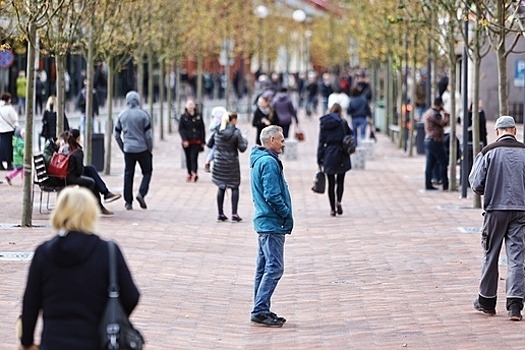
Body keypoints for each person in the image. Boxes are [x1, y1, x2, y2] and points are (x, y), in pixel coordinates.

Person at [18, 186, 140, 349]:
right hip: (94, 340)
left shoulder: (43, 253)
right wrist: (110, 316)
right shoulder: (107, 251)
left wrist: (27, 341)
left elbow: (30, 303)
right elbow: (131, 296)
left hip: (54, 341)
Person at [469, 116, 525, 321]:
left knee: (490, 255)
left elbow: (475, 184)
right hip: (521, 210)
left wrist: (490, 188)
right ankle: (515, 305)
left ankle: (487, 301)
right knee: (517, 257)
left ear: (497, 132)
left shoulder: (488, 152)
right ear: (514, 131)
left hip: (495, 210)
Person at [249, 125, 293, 327]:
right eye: (281, 140)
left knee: (263, 267)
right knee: (274, 267)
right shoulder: (268, 162)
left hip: (265, 222)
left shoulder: (262, 160)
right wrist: (285, 212)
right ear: (272, 140)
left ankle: (260, 307)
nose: (283, 143)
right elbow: (272, 194)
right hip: (271, 222)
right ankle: (260, 309)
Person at [59, 130, 115, 215]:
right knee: (91, 181)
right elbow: (78, 171)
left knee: (90, 169)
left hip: (67, 174)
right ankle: (101, 202)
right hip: (71, 177)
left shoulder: (66, 148)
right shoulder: (78, 151)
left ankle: (105, 193)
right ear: (78, 138)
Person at [114, 91, 153, 210]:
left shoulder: (122, 115)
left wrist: (123, 147)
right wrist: (149, 149)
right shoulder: (143, 115)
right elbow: (149, 136)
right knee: (147, 171)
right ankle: (141, 193)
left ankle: (128, 202)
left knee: (128, 174)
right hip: (142, 148)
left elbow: (116, 134)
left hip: (128, 149)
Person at [208, 112, 248, 222]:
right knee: (234, 186)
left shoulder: (217, 131)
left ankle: (220, 213)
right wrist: (244, 139)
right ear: (232, 120)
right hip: (232, 163)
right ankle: (234, 213)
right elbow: (242, 148)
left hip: (219, 163)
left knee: (221, 186)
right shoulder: (236, 132)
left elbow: (209, 144)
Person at [317, 103, 352, 217]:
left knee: (331, 183)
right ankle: (339, 202)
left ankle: (332, 208)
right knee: (340, 181)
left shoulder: (324, 124)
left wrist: (319, 158)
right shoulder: (343, 123)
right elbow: (350, 135)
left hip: (329, 153)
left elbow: (321, 142)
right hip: (342, 153)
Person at [422, 97, 449, 191]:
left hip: (429, 140)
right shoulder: (434, 114)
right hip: (435, 141)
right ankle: (445, 184)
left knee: (430, 164)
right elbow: (443, 123)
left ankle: (428, 184)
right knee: (443, 162)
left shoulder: (428, 112)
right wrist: (446, 115)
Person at [179, 99, 205, 182]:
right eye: (188, 105)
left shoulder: (199, 116)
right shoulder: (183, 117)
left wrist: (203, 140)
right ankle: (189, 172)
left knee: (194, 157)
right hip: (187, 141)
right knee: (188, 157)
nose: (190, 107)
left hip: (196, 141)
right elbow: (181, 129)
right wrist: (184, 139)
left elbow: (202, 128)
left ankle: (194, 172)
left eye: (191, 104)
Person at [204, 106, 227, 172]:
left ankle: (209, 162)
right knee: (214, 151)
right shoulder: (216, 121)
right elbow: (211, 128)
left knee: (214, 151)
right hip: (216, 139)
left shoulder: (221, 121)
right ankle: (208, 162)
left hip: (220, 139)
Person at [0, 92, 19, 170]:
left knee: (1, 147)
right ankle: (9, 163)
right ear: (8, 100)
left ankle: (0, 163)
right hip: (9, 130)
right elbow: (14, 119)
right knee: (9, 147)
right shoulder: (9, 108)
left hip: (1, 129)